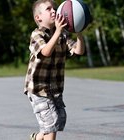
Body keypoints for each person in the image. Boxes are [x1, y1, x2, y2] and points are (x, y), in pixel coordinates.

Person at [24, 0, 85, 140]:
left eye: (55, 8)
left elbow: (78, 51)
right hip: (38, 89)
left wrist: (79, 33)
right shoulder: (36, 35)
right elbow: (45, 51)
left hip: (55, 88)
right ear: (38, 18)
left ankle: (36, 137)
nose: (54, 11)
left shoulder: (63, 35)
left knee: (56, 121)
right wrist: (57, 31)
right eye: (48, 9)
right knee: (52, 123)